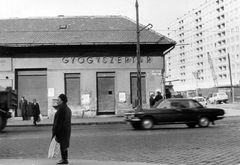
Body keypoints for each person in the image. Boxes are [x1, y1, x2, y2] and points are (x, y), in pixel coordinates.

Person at [52, 94, 72, 164]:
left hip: (62, 130)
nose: (57, 101)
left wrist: (55, 132)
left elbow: (58, 122)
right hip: (66, 129)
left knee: (62, 145)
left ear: (62, 101)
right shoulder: (67, 108)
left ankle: (64, 159)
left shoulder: (61, 109)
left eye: (58, 100)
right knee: (64, 145)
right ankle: (64, 158)